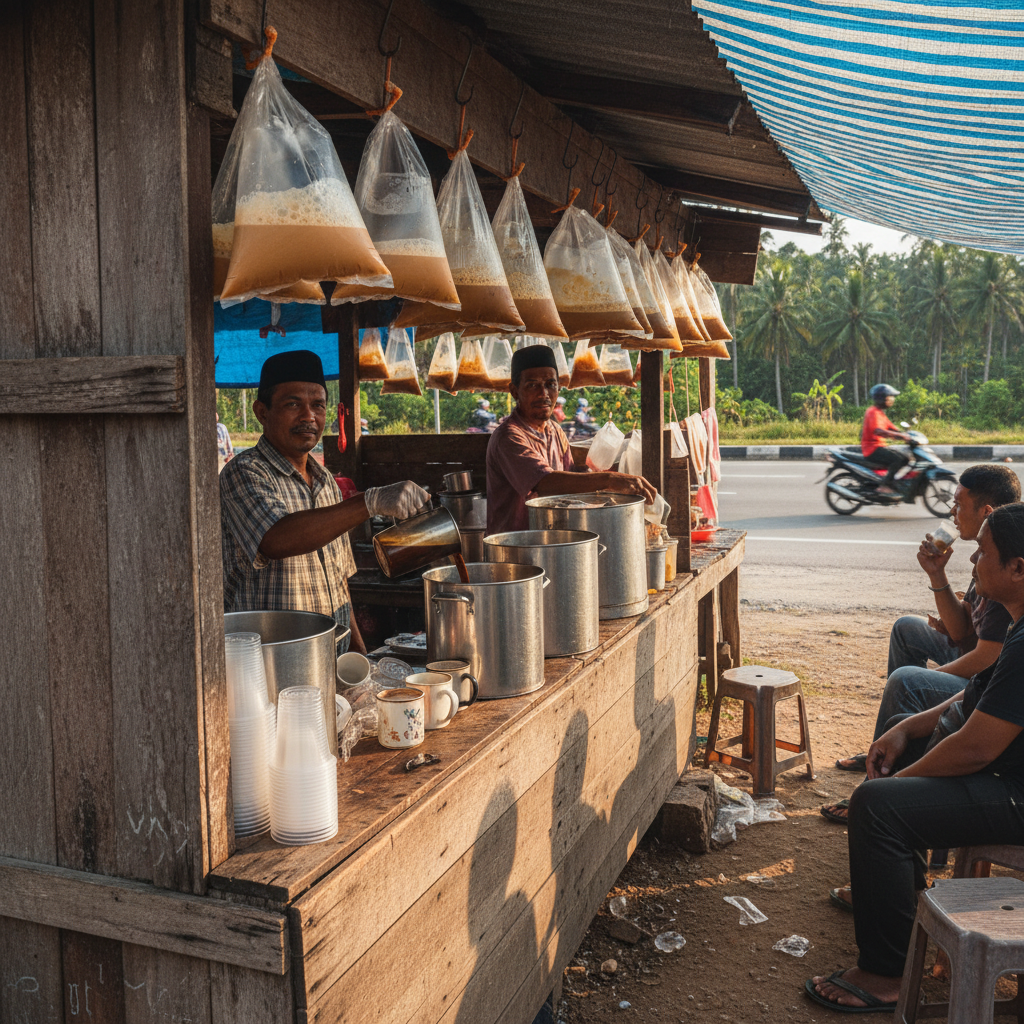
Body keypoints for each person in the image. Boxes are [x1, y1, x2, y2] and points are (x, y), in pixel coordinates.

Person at [806, 502, 1024, 1013]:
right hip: (1007, 775)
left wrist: (897, 782)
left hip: (1017, 794)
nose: (973, 562)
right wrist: (907, 728)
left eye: (983, 553)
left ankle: (886, 975)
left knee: (880, 808)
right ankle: (894, 913)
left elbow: (975, 748)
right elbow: (975, 692)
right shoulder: (1018, 626)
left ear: (1019, 568)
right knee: (889, 793)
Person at [823, 464, 1020, 818]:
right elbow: (961, 631)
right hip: (980, 668)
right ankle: (888, 746)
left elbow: (987, 660)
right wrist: (937, 574)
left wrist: (937, 675)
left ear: (986, 512)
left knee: (907, 682)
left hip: (986, 673)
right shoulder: (989, 557)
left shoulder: (1006, 560)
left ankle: (889, 777)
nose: (951, 512)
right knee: (907, 628)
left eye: (959, 504)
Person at [220, 350, 427, 655]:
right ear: (262, 412)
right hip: (271, 662)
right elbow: (275, 538)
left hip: (332, 660)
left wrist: (359, 657)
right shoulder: (244, 472)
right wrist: (368, 502)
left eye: (318, 405)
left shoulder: (326, 481)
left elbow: (339, 582)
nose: (308, 417)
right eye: (293, 404)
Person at [485, 345, 655, 534]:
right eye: (532, 385)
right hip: (512, 550)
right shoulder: (508, 437)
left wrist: (609, 470)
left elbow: (570, 475)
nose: (544, 394)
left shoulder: (555, 431)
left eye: (550, 384)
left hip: (550, 541)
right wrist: (609, 479)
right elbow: (544, 483)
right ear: (514, 391)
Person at [861, 383, 912, 495]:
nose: (892, 400)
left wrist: (906, 434)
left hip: (879, 446)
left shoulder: (880, 413)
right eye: (890, 397)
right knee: (899, 459)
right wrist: (901, 436)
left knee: (905, 458)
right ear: (882, 398)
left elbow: (891, 427)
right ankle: (885, 486)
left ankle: (893, 482)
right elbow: (878, 431)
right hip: (872, 449)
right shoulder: (873, 412)